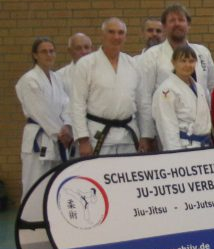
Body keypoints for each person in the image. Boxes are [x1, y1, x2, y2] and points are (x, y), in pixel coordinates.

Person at [139, 2, 214, 147]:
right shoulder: (152, 55)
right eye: (172, 20)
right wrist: (147, 135)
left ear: (188, 25)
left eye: (181, 20)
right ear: (164, 26)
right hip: (168, 130)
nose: (177, 23)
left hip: (203, 132)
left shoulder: (202, 52)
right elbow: (144, 97)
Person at [69, 18, 151, 157]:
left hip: (128, 136)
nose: (116, 37)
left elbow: (143, 103)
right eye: (111, 32)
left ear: (125, 37)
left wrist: (146, 135)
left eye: (120, 33)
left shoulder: (133, 64)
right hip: (97, 135)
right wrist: (83, 139)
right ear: (102, 35)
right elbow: (77, 104)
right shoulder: (86, 64)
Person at [15, 37, 72, 198]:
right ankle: (30, 214)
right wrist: (60, 132)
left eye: (52, 51)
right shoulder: (29, 79)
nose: (49, 55)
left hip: (57, 137)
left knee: (54, 185)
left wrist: (67, 125)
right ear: (35, 55)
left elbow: (66, 105)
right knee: (34, 183)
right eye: (44, 51)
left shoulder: (56, 78)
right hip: (40, 138)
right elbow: (40, 111)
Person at [152, 45, 213, 150]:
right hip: (183, 146)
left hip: (204, 145)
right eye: (183, 61)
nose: (187, 65)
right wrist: (175, 154)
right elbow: (167, 126)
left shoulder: (198, 87)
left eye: (191, 61)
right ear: (173, 62)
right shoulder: (167, 90)